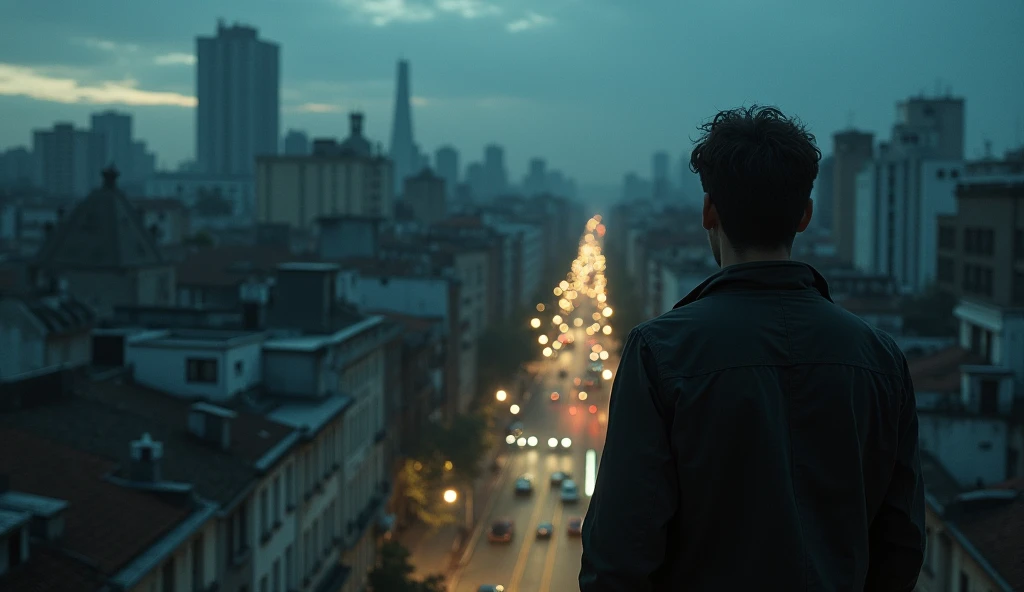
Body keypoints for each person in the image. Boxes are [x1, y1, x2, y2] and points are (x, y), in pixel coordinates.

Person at [580, 106, 925, 591]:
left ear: (709, 212)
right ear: (804, 216)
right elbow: (902, 544)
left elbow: (619, 553)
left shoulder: (660, 352)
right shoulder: (880, 359)